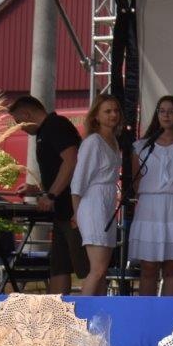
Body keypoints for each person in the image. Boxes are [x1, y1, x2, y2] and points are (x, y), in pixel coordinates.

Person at [10, 96, 89, 294]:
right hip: (61, 211)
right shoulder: (44, 132)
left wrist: (51, 195)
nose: (19, 127)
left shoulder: (56, 125)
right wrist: (38, 190)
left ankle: (96, 308)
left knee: (85, 267)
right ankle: (55, 308)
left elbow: (71, 160)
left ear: (27, 114)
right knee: (59, 266)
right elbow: (57, 169)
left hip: (74, 210)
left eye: (19, 122)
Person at [130, 96, 173, 297]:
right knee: (148, 266)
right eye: (162, 111)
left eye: (171, 111)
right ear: (157, 114)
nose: (166, 115)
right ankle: (146, 312)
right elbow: (136, 181)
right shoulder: (142, 146)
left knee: (172, 267)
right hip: (150, 207)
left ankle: (170, 313)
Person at [70, 94, 124, 296]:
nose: (113, 115)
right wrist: (77, 213)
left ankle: (99, 311)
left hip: (107, 203)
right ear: (96, 116)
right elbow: (78, 181)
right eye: (107, 111)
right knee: (98, 268)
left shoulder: (114, 141)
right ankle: (83, 310)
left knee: (103, 271)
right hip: (93, 203)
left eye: (116, 111)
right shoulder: (93, 142)